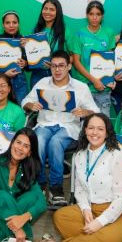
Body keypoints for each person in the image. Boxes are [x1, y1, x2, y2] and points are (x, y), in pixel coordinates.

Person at [37, 113, 122, 242]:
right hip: (91, 209)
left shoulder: (116, 156)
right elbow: (79, 188)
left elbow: (121, 198)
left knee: (100, 238)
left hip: (119, 214)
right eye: (91, 128)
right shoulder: (80, 155)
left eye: (100, 129)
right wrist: (85, 209)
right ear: (85, 130)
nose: (94, 132)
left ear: (107, 133)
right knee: (60, 217)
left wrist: (100, 222)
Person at [21, 50, 99, 206]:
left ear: (69, 66)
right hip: (45, 124)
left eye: (61, 66)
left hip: (68, 128)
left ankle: (56, 188)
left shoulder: (80, 87)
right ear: (50, 67)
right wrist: (31, 105)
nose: (57, 70)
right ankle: (40, 183)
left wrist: (85, 112)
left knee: (55, 142)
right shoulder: (43, 83)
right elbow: (25, 101)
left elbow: (95, 111)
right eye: (54, 66)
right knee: (39, 139)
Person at [71, 0, 116, 116]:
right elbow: (76, 62)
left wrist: (110, 79)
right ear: (87, 15)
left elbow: (110, 60)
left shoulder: (109, 33)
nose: (94, 17)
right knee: (85, 123)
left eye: (98, 14)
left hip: (103, 88)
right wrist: (94, 80)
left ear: (102, 16)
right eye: (91, 14)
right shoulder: (79, 34)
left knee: (103, 121)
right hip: (85, 87)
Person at [23, 0, 70, 88]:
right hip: (38, 75)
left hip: (59, 74)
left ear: (57, 12)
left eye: (52, 9)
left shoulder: (65, 31)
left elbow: (72, 57)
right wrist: (26, 47)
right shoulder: (35, 30)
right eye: (45, 9)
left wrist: (56, 65)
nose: (47, 12)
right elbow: (32, 55)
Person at [0, 11, 29, 102]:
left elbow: (30, 66)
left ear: (18, 24)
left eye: (14, 22)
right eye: (7, 23)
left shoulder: (24, 41)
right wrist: (4, 75)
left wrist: (25, 63)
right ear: (3, 25)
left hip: (20, 84)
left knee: (20, 108)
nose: (11, 25)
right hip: (0, 83)